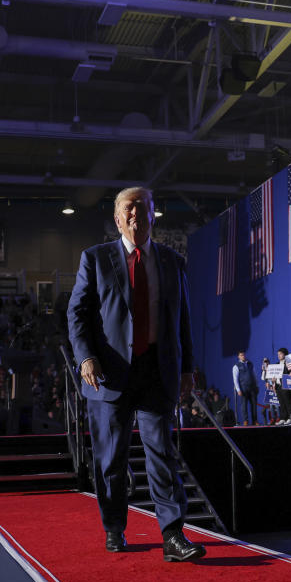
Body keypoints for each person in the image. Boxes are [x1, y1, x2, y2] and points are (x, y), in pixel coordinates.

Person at [67, 186, 205, 561]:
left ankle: (173, 535)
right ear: (117, 218)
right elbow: (76, 314)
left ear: (152, 214)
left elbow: (183, 321)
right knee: (111, 459)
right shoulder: (93, 260)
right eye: (128, 209)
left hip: (157, 372)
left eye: (142, 208)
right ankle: (114, 527)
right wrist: (85, 358)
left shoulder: (172, 262)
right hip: (109, 376)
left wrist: (188, 368)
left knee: (161, 452)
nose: (135, 215)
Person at [232, 350, 259, 425]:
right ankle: (245, 420)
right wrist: (238, 390)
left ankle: (255, 420)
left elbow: (254, 375)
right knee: (244, 405)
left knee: (254, 405)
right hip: (243, 388)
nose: (243, 356)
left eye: (243, 355)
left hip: (252, 387)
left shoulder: (250, 364)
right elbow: (235, 379)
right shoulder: (236, 366)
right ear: (238, 356)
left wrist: (257, 385)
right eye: (241, 355)